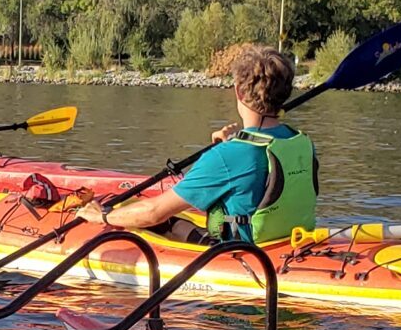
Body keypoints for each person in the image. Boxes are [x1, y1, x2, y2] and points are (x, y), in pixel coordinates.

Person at [95, 45, 316, 243]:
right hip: (288, 241)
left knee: (165, 223)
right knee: (185, 224)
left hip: (241, 254)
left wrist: (101, 216)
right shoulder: (301, 141)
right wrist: (225, 147)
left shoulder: (226, 156)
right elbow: (256, 169)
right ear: (285, 93)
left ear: (238, 91)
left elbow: (153, 212)